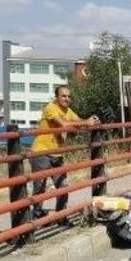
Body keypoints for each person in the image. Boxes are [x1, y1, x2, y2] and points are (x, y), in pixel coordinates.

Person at [29, 86, 99, 226]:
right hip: (41, 152)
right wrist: (86, 123)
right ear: (56, 97)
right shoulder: (51, 108)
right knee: (40, 186)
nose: (66, 99)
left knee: (63, 186)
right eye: (63, 96)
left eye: (69, 96)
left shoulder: (68, 110)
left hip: (57, 154)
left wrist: (93, 123)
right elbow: (64, 124)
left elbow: (79, 122)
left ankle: (61, 216)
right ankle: (36, 214)